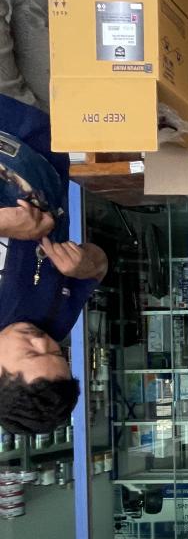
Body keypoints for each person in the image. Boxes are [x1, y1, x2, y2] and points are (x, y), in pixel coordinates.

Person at [0, 95, 108, 435]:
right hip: (43, 135)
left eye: (32, 354)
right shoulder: (55, 325)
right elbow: (99, 266)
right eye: (57, 354)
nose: (43, 341)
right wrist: (83, 264)